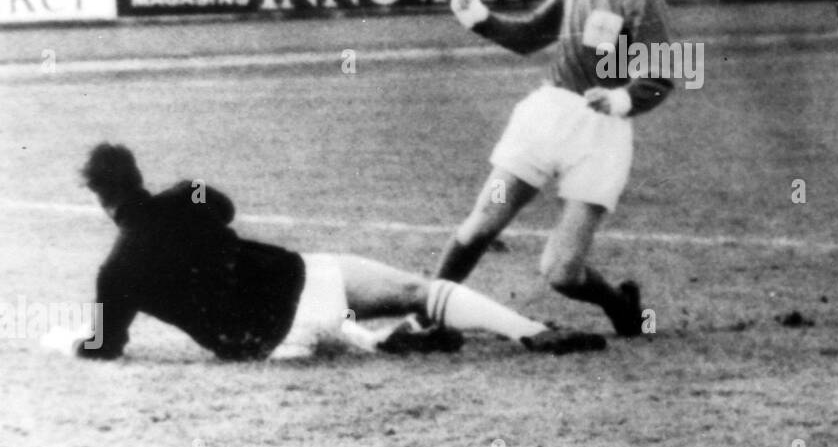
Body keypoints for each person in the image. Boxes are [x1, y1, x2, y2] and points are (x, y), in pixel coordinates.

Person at [40, 145, 604, 361]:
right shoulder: (183, 194)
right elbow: (227, 209)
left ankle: (382, 343)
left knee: (320, 318)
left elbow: (106, 347)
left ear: (99, 199)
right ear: (138, 177)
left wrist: (67, 340)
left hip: (267, 346)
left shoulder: (115, 271)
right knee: (419, 291)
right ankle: (529, 332)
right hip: (302, 287)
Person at [435, 0, 674, 336]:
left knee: (562, 272)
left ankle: (621, 305)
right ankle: (426, 313)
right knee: (481, 223)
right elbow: (529, 36)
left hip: (600, 136)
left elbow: (661, 77)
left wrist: (620, 98)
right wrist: (479, 18)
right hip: (545, 117)